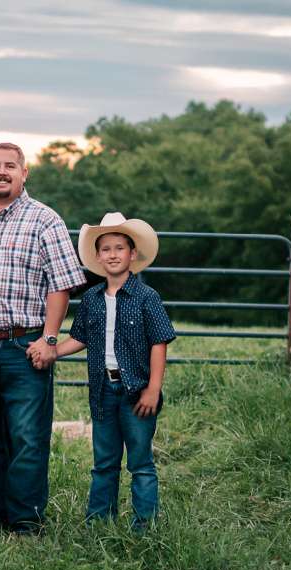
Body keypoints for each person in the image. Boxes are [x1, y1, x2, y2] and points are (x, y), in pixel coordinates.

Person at [0, 142, 85, 537]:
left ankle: (26, 522)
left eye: (10, 166)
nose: (2, 172)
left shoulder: (45, 220)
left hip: (25, 345)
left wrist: (50, 339)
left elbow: (61, 285)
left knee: (27, 437)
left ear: (23, 174)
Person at [54, 213, 176, 530]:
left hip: (136, 391)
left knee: (141, 463)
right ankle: (98, 525)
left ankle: (144, 526)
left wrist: (153, 389)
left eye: (119, 248)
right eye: (106, 249)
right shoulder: (92, 299)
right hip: (103, 391)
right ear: (97, 256)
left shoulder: (147, 297)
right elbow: (79, 338)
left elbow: (160, 342)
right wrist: (51, 351)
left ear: (132, 254)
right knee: (104, 463)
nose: (113, 254)